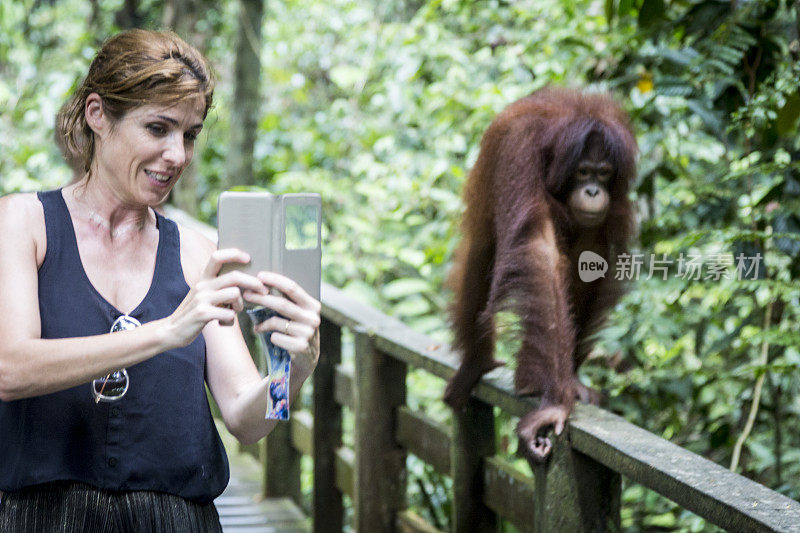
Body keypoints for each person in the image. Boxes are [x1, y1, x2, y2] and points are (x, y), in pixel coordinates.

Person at [0, 29, 321, 532]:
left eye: (189, 135)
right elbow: (9, 368)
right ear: (97, 115)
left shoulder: (197, 253)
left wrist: (292, 370)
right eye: (158, 128)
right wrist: (165, 332)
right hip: (42, 517)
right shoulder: (23, 224)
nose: (178, 155)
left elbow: (245, 417)